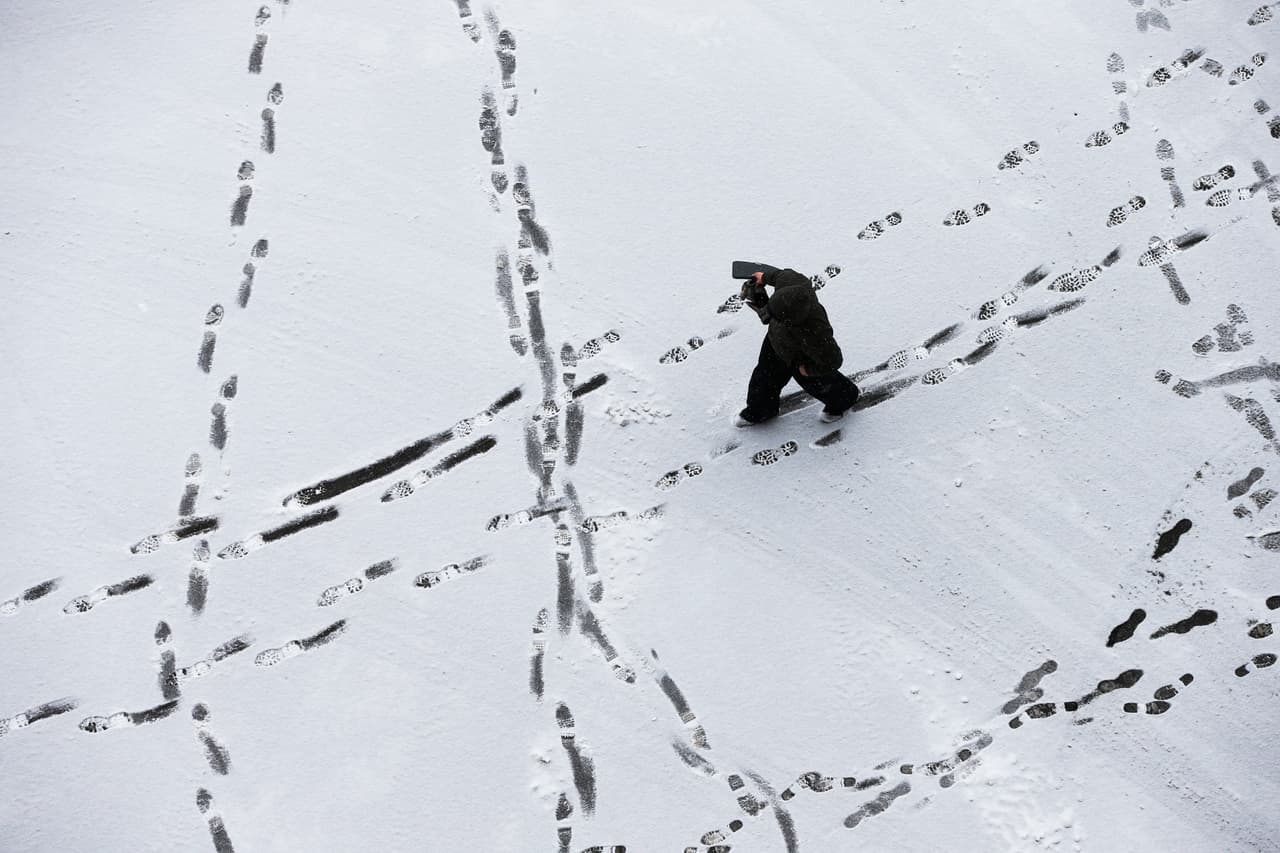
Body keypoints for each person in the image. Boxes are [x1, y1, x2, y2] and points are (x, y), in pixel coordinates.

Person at [736, 268, 859, 426]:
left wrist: (807, 370)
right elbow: (780, 274)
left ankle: (846, 398)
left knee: (825, 386)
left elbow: (833, 360)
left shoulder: (816, 333)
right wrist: (763, 277)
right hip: (776, 343)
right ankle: (761, 411)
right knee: (764, 379)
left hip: (804, 358)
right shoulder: (792, 281)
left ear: (790, 319)